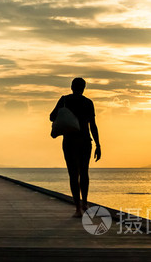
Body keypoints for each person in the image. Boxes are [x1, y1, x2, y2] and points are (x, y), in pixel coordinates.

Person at [49, 77, 101, 218]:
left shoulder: (64, 100)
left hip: (70, 140)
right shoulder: (88, 102)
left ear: (72, 87)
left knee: (73, 174)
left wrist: (64, 114)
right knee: (84, 172)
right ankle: (85, 203)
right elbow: (93, 125)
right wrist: (98, 144)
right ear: (84, 88)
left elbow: (52, 117)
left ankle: (77, 209)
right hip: (85, 140)